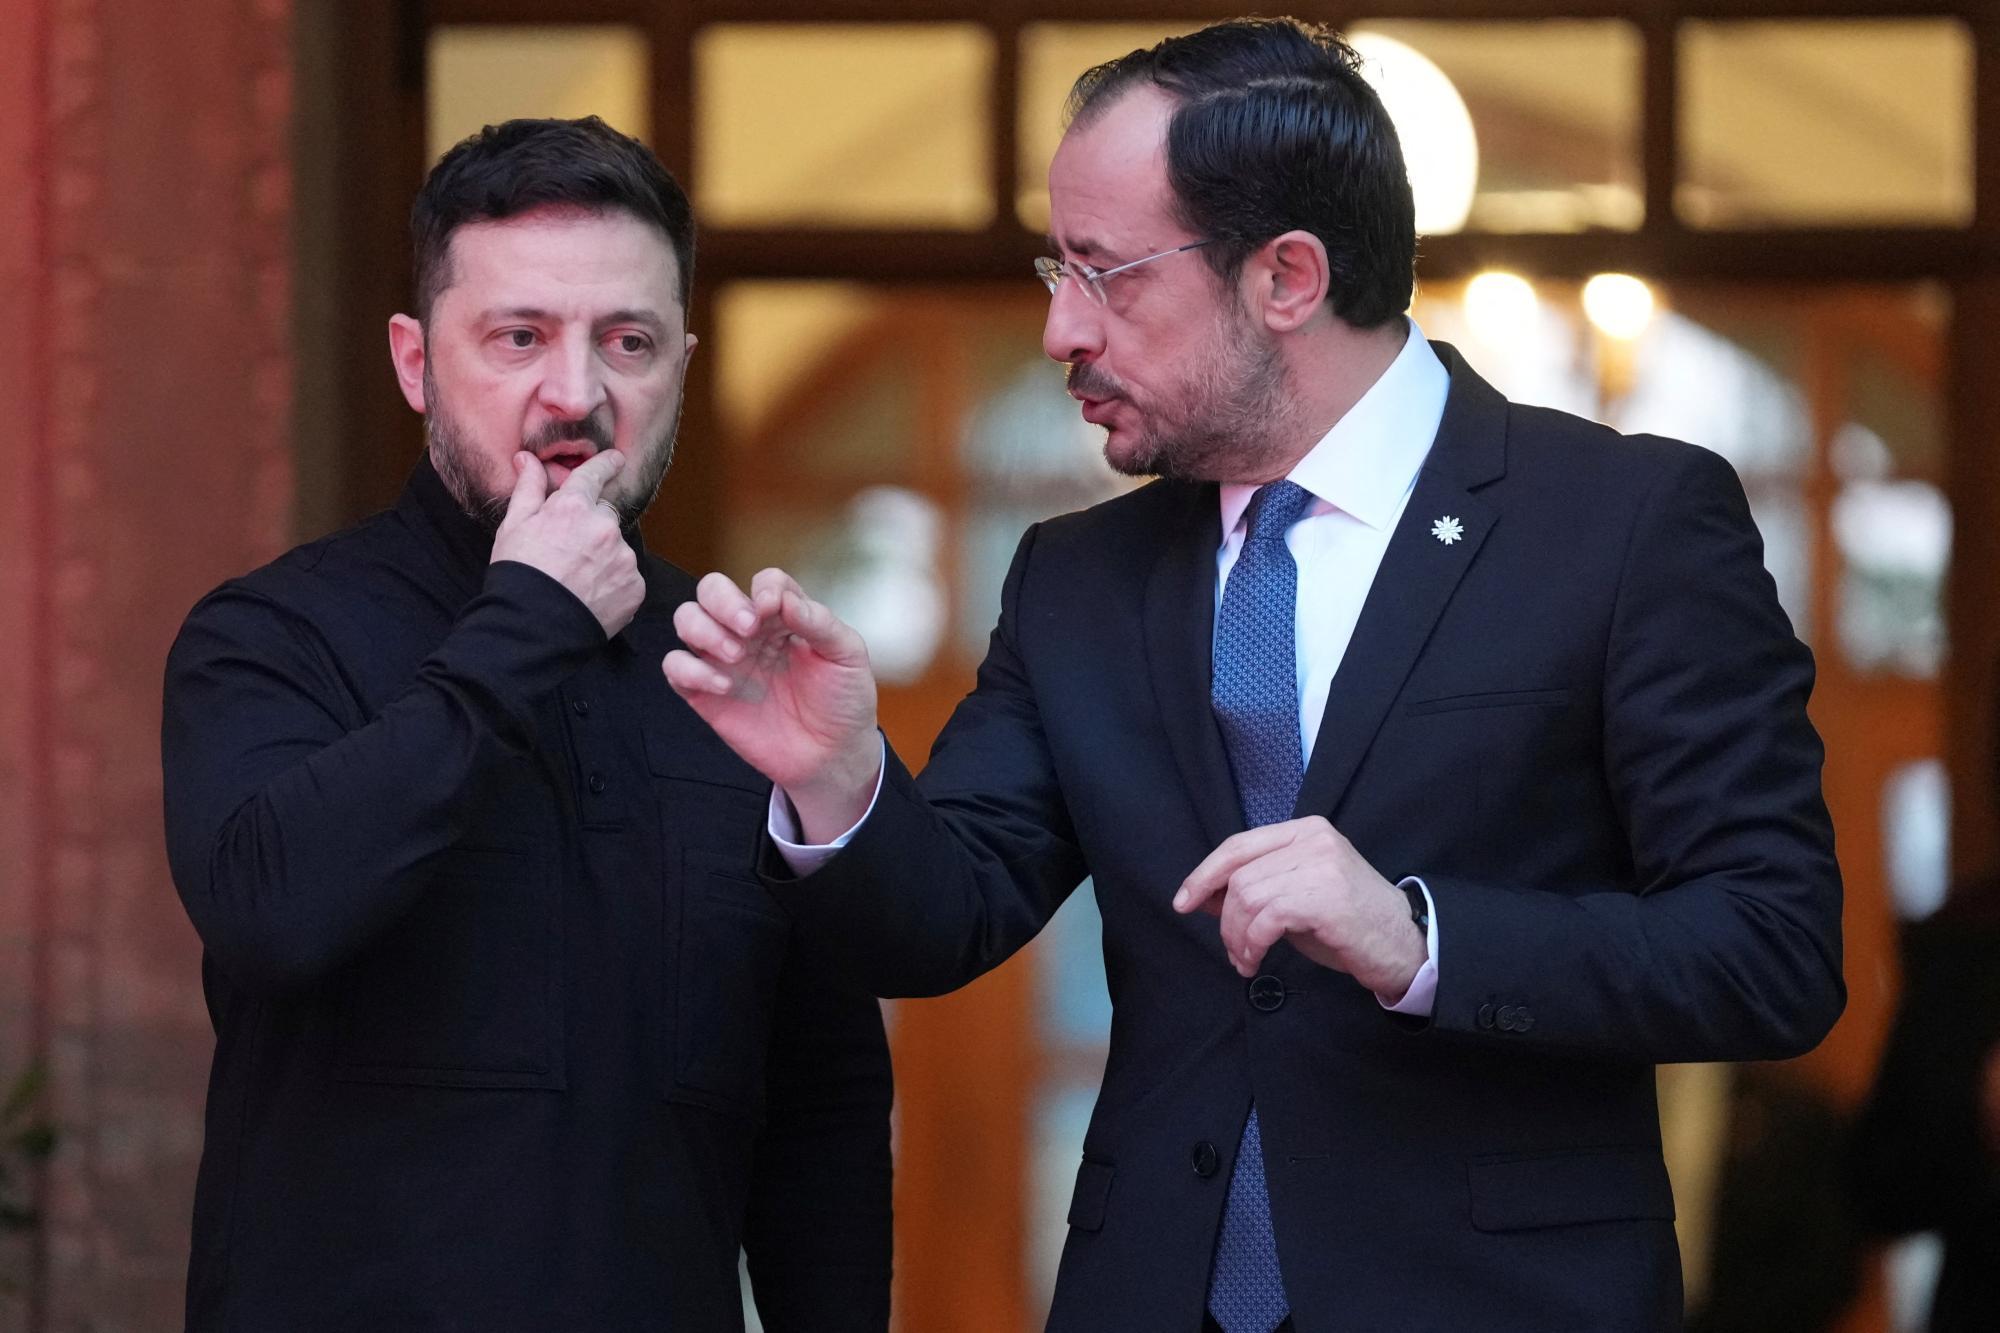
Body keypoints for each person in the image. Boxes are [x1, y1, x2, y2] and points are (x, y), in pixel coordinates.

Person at [663, 19, 1844, 1333]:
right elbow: (940, 922)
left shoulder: (1621, 526)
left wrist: (1419, 939)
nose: (1058, 327)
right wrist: (838, 780)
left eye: (1105, 274)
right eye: (1057, 269)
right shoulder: (1076, 579)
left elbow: (1773, 948)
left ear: (1286, 275)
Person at [161, 117, 891, 1332]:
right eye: (518, 337)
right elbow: (269, 908)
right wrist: (526, 624)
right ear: (415, 363)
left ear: (681, 367)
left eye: (627, 341)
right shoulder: (272, 636)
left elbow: (821, 1109)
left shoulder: (741, 674)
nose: (577, 393)